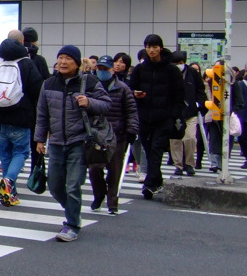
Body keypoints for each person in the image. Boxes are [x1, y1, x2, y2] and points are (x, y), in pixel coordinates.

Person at [34, 45, 111, 242]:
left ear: (76, 63)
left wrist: (90, 102)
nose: (63, 61)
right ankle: (72, 212)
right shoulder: (48, 84)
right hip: (57, 142)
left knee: (72, 185)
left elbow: (106, 104)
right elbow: (42, 114)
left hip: (79, 141)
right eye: (60, 57)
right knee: (55, 186)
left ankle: (72, 224)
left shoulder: (89, 82)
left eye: (68, 58)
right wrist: (40, 139)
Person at [0, 30, 43, 207]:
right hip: (20, 117)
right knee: (21, 152)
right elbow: (38, 91)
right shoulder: (27, 64)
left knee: (4, 153)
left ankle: (9, 193)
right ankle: (9, 180)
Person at [128, 34, 185, 200]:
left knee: (156, 150)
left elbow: (179, 96)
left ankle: (149, 184)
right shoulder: (140, 69)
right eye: (148, 47)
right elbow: (131, 90)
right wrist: (135, 94)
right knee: (148, 148)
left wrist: (173, 115)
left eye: (154, 47)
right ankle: (157, 180)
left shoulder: (171, 70)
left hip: (164, 118)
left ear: (160, 47)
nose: (151, 50)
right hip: (144, 116)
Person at [88, 55, 139, 215]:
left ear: (112, 70)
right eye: (100, 68)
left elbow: (131, 111)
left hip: (117, 134)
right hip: (96, 133)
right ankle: (99, 194)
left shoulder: (122, 88)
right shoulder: (91, 87)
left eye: (105, 69)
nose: (102, 71)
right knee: (95, 168)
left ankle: (112, 202)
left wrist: (132, 130)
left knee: (115, 169)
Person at [168, 50, 205, 177]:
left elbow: (200, 89)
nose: (178, 65)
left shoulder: (192, 73)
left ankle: (189, 163)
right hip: (174, 112)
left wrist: (199, 104)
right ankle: (178, 165)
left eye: (180, 62)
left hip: (190, 111)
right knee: (175, 140)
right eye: (176, 62)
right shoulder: (169, 73)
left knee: (190, 138)